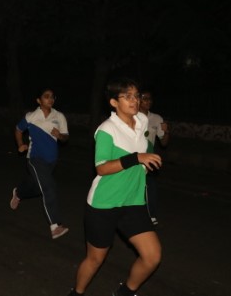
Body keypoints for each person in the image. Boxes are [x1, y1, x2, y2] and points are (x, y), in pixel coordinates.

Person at [67, 78, 162, 296]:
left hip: (133, 202)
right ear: (113, 102)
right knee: (95, 259)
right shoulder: (106, 130)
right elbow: (101, 168)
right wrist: (136, 158)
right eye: (127, 96)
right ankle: (77, 293)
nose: (134, 100)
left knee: (152, 257)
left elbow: (143, 145)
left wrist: (147, 160)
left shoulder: (142, 121)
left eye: (136, 96)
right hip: (104, 205)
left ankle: (125, 292)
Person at [10, 87, 70, 239]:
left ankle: (19, 193)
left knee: (39, 188)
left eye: (52, 97)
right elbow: (18, 129)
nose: (50, 99)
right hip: (35, 158)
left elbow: (65, 137)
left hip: (51, 161)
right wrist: (20, 144)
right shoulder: (31, 116)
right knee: (49, 187)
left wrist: (60, 135)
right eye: (46, 96)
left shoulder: (59, 116)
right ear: (39, 100)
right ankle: (55, 226)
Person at [138, 89, 170, 226]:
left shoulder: (157, 118)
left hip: (148, 158)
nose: (148, 101)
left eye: (150, 99)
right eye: (144, 98)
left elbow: (164, 143)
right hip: (134, 157)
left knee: (150, 186)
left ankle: (151, 215)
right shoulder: (131, 116)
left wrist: (166, 131)